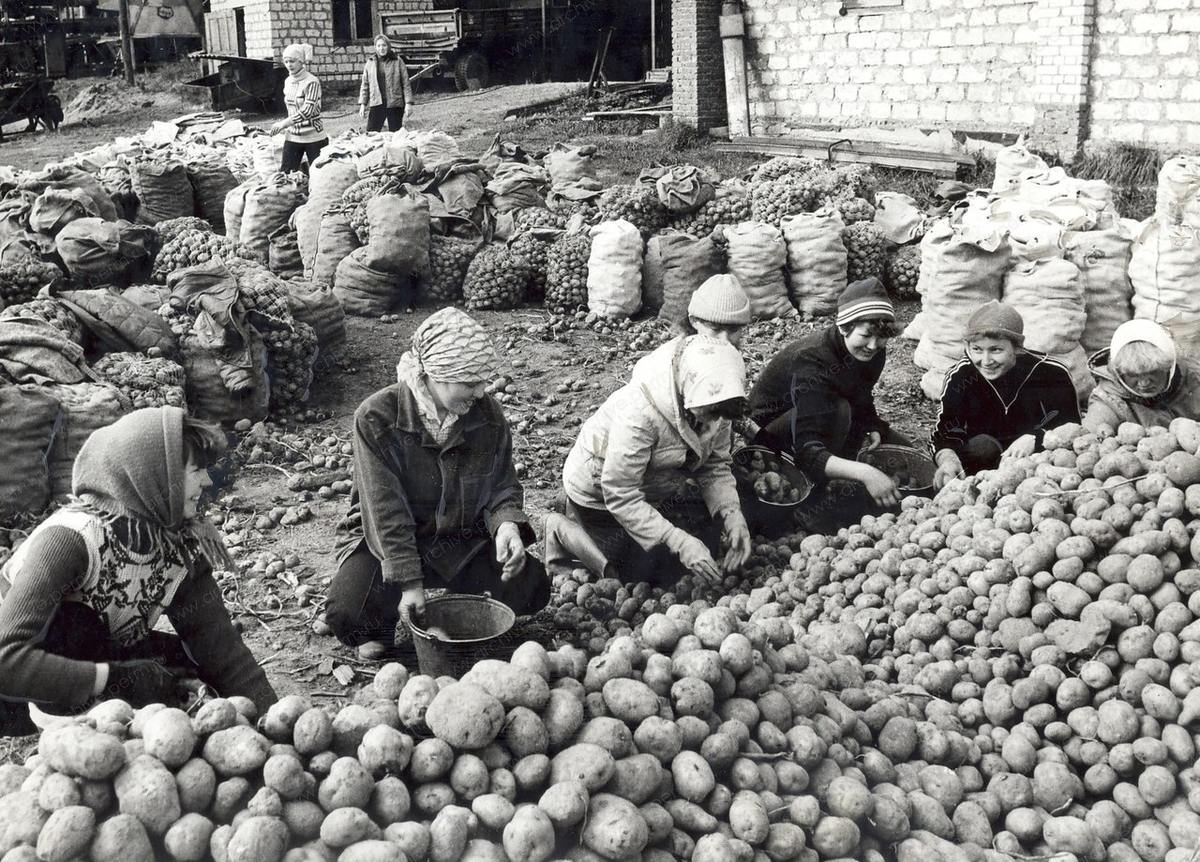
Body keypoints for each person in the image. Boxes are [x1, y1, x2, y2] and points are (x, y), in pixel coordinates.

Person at [0, 407, 277, 736]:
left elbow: (222, 651)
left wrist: (275, 723)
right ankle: (77, 727)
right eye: (196, 470)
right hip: (19, 689)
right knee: (79, 628)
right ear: (155, 476)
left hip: (94, 652)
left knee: (188, 665)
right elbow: (7, 660)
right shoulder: (70, 540)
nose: (207, 481)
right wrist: (114, 679)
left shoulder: (179, 543)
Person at [326, 308, 549, 660]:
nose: (481, 391)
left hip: (459, 539)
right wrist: (409, 582)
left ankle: (456, 606)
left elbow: (502, 485)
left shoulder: (487, 415)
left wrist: (507, 525)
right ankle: (385, 619)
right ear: (436, 375)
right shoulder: (376, 418)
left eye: (483, 381)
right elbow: (386, 513)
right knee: (348, 616)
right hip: (386, 543)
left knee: (532, 586)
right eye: (470, 382)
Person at [545, 336, 753, 587]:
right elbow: (621, 493)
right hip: (601, 493)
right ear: (687, 391)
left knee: (699, 547)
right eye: (710, 412)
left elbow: (714, 466)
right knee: (638, 576)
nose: (713, 422)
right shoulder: (639, 413)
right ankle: (562, 526)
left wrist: (731, 513)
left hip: (656, 484)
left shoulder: (717, 401)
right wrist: (679, 542)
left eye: (720, 414)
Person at [747, 277, 910, 527]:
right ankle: (815, 501)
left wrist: (873, 425)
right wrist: (867, 474)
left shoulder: (872, 349)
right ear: (844, 326)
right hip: (770, 434)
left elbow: (861, 393)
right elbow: (807, 451)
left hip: (822, 410)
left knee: (902, 449)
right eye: (866, 335)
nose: (873, 345)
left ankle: (842, 467)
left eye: (881, 338)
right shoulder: (813, 361)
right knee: (840, 411)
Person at [930, 301, 1080, 489]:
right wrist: (947, 458)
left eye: (996, 350)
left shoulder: (1052, 375)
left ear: (1017, 348)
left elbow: (1073, 430)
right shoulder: (961, 377)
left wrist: (1036, 438)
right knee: (982, 447)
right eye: (977, 349)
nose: (985, 361)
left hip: (1039, 470)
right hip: (982, 472)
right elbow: (944, 433)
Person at [1083, 319, 1200, 431]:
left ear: (1169, 367)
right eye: (1132, 374)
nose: (1144, 383)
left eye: (1152, 372)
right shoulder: (1108, 402)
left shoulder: (1194, 378)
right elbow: (1088, 440)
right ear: (1119, 373)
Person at [273, 44, 327, 172]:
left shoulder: (312, 82)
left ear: (301, 61)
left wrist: (283, 124)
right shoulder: (287, 81)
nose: (289, 65)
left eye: (292, 61)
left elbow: (308, 111)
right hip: (293, 135)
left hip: (314, 136)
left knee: (319, 174)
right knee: (286, 174)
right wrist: (287, 126)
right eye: (286, 61)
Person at [677, 274, 753, 348]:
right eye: (715, 329)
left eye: (733, 330)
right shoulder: (674, 355)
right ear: (694, 321)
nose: (725, 340)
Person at [359, 35, 414, 133]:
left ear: (388, 46)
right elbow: (365, 85)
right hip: (377, 102)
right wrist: (363, 104)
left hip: (394, 103)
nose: (381, 48)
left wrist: (408, 103)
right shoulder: (370, 63)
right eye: (379, 46)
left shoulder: (397, 61)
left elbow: (406, 83)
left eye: (384, 45)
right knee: (371, 133)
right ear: (375, 47)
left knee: (396, 135)